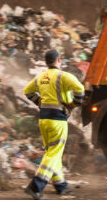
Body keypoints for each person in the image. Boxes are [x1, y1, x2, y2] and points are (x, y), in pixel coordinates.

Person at [23, 50, 85, 199]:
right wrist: (72, 105)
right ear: (59, 60)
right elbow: (80, 90)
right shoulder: (63, 76)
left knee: (52, 152)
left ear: (46, 62)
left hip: (44, 120)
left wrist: (39, 102)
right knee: (53, 153)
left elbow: (27, 91)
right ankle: (36, 186)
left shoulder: (40, 77)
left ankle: (61, 185)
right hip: (58, 120)